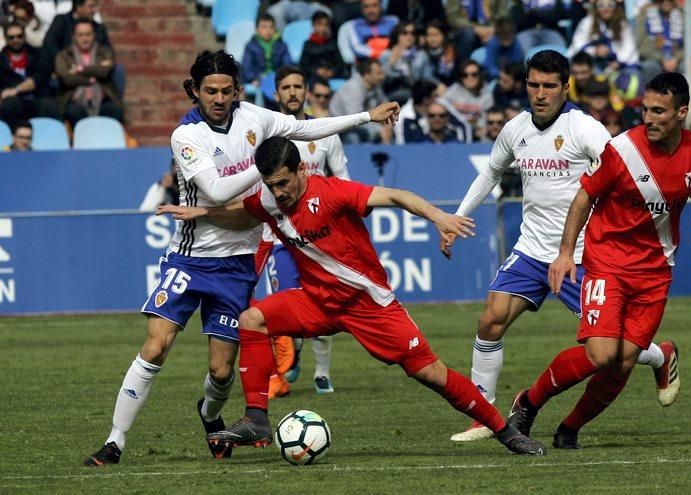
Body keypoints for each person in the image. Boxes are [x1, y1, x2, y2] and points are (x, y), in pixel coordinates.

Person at [83, 49, 400, 467]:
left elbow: (305, 128)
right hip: (190, 258)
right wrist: (267, 157)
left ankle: (210, 415)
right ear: (194, 91)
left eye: (226, 91)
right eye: (209, 91)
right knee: (156, 347)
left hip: (238, 263)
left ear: (237, 91)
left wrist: (365, 117)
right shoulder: (186, 136)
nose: (218, 98)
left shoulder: (255, 117)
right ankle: (115, 441)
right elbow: (215, 191)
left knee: (220, 372)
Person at [158, 135, 549, 457]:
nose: (279, 192)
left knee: (431, 373)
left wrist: (439, 217)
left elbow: (395, 196)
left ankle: (505, 431)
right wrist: (204, 213)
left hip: (369, 306)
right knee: (252, 320)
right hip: (315, 301)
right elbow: (242, 212)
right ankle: (256, 417)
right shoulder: (268, 199)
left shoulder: (332, 193)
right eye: (271, 185)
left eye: (284, 182)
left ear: (301, 169)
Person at [444, 50, 677, 443]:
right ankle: (483, 415)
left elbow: (622, 175)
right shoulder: (515, 128)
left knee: (614, 350)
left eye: (549, 86)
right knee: (490, 320)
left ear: (565, 87)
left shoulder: (586, 130)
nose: (540, 93)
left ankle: (659, 354)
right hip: (533, 250)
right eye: (533, 84)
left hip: (584, 256)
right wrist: (457, 217)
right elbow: (490, 172)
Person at [510, 72, 691, 450]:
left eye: (659, 111)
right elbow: (583, 198)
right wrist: (564, 253)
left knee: (622, 362)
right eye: (645, 110)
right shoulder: (621, 149)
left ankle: (569, 429)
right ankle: (528, 402)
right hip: (607, 264)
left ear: (682, 112)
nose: (650, 118)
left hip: (656, 272)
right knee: (601, 354)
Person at [258, 66, 352, 396]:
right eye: (286, 87)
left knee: (324, 303)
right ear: (277, 93)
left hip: (320, 234)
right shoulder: (266, 139)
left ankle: (322, 374)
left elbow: (342, 178)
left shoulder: (325, 132)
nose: (293, 92)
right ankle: (292, 351)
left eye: (299, 85)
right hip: (280, 236)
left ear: (307, 91)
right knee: (287, 302)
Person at [54, 19, 123, 126]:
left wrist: (80, 69)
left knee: (114, 109)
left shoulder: (104, 52)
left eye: (88, 34)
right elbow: (67, 78)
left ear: (94, 35)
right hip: (74, 99)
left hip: (102, 99)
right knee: (73, 112)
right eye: (80, 35)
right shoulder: (64, 55)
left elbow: (104, 72)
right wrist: (91, 78)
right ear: (74, 37)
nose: (85, 39)